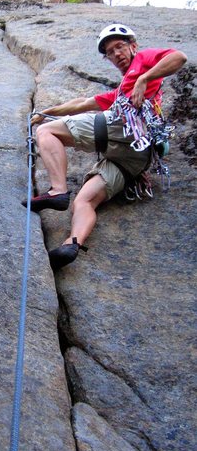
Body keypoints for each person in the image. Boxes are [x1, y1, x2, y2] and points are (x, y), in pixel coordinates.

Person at [24, 23, 187, 269]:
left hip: (127, 126)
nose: (116, 55)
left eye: (119, 47)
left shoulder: (142, 60)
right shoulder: (120, 91)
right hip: (136, 158)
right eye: (110, 53)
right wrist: (47, 112)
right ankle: (72, 244)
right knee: (85, 200)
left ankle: (58, 190)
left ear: (133, 46)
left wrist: (145, 77)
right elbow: (83, 103)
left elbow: (179, 57)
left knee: (46, 132)